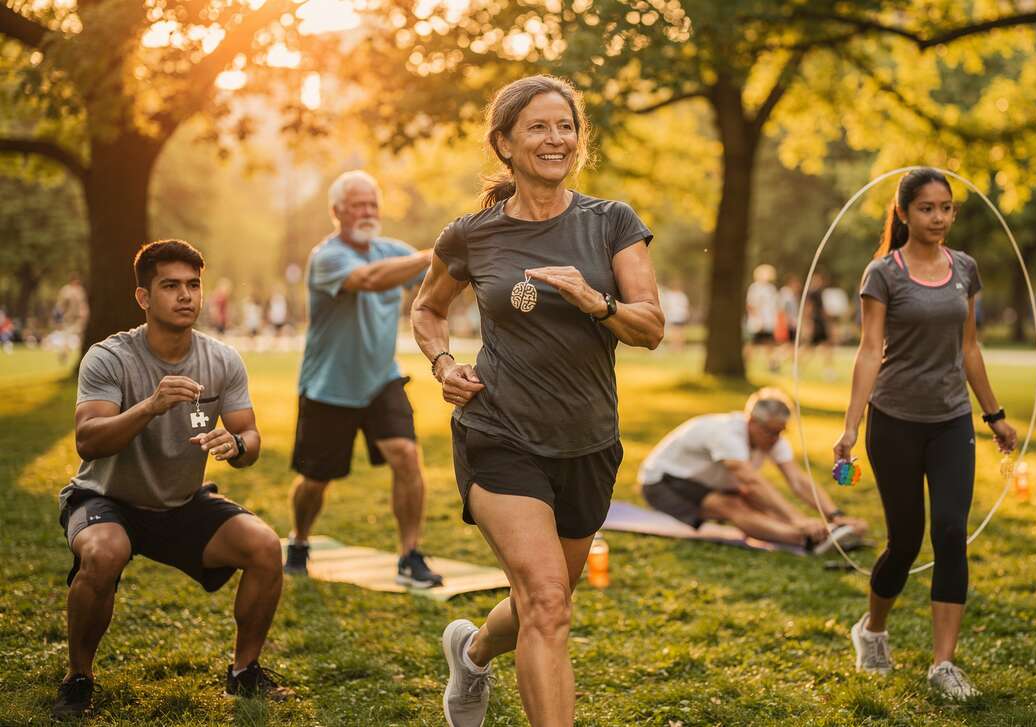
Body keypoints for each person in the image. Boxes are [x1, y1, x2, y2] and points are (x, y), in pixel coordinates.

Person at [411, 75, 663, 727]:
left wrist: (595, 301)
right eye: (539, 127)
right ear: (504, 144)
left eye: (566, 126)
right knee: (547, 602)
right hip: (500, 434)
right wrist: (443, 363)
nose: (557, 139)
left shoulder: (612, 222)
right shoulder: (472, 234)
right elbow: (428, 308)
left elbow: (650, 327)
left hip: (588, 442)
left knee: (541, 601)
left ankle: (472, 651)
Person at [52, 240, 283, 718]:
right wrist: (150, 406)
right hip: (106, 499)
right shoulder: (109, 357)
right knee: (105, 552)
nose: (185, 296)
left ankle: (244, 672)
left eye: (193, 285)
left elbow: (250, 437)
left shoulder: (222, 359)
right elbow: (88, 441)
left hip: (180, 502)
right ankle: (78, 678)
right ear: (143, 297)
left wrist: (237, 445)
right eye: (171, 286)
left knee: (264, 547)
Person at [834, 168, 1017, 700]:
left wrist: (994, 414)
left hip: (951, 420)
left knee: (951, 531)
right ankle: (872, 630)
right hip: (894, 421)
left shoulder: (965, 269)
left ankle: (943, 664)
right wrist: (851, 425)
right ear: (904, 212)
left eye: (946, 208)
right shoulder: (882, 273)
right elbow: (869, 351)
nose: (938, 218)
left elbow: (970, 347)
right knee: (906, 541)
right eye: (927, 208)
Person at [284, 170, 442, 587]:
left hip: (380, 380)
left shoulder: (393, 251)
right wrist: (435, 253)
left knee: (406, 456)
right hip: (329, 386)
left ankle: (410, 554)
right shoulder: (327, 257)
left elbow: (442, 278)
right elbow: (369, 279)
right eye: (358, 205)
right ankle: (299, 539)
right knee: (315, 481)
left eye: (373, 204)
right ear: (337, 212)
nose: (368, 211)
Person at [639, 388, 869, 552]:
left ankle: (826, 532)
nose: (775, 439)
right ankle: (806, 540)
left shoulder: (772, 437)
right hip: (661, 482)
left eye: (781, 432)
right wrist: (797, 520)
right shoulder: (726, 433)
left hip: (705, 483)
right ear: (751, 422)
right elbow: (751, 481)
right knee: (733, 504)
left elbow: (798, 480)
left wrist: (835, 515)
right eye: (771, 432)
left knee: (754, 500)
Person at [746, 263, 779, 369]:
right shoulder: (755, 288)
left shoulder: (771, 289)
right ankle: (746, 363)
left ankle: (771, 364)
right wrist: (757, 319)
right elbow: (751, 305)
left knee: (769, 344)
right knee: (751, 344)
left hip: (768, 322)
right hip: (757, 322)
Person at [53, 274, 89, 363]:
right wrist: (59, 319)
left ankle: (78, 355)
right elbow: (60, 306)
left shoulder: (80, 291)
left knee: (79, 339)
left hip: (79, 319)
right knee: (67, 338)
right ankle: (64, 354)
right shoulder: (66, 291)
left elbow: (83, 305)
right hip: (68, 319)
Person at [660, 282, 691, 351]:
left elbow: (666, 306)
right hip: (678, 316)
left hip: (675, 316)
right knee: (679, 332)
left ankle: (676, 346)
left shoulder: (671, 296)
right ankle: (678, 346)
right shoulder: (681, 295)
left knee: (676, 332)